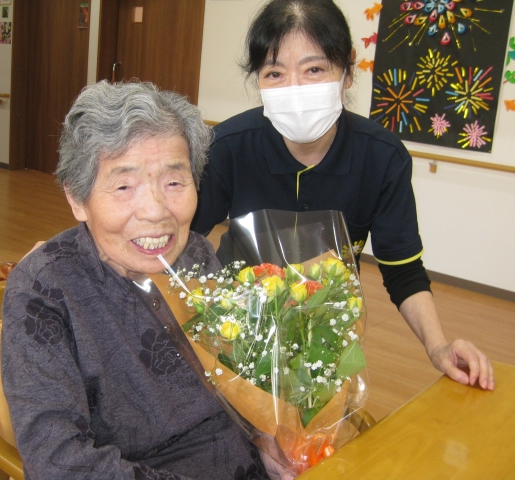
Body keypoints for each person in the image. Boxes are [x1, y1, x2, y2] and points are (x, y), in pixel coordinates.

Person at [191, 0, 494, 391]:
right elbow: (184, 244)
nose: (295, 89)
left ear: (347, 71)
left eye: (314, 69)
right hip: (236, 327)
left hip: (327, 331)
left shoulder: (381, 157)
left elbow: (402, 270)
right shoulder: (228, 147)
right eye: (275, 73)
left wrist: (438, 346)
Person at [1, 81, 285, 479]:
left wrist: (269, 434)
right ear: (77, 199)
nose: (155, 211)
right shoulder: (45, 291)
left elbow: (242, 374)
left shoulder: (196, 254)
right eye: (124, 186)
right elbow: (58, 461)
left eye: (174, 182)